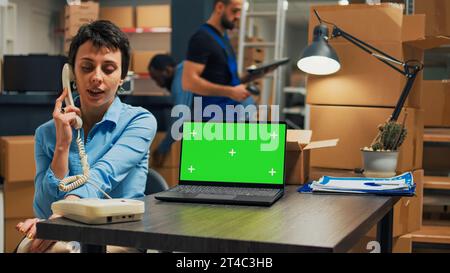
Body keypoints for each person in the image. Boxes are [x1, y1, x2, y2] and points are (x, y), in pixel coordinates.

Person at [15, 20, 157, 253]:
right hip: (60, 225)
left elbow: (103, 174)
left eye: (109, 69)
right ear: (71, 73)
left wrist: (62, 213)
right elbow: (43, 208)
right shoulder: (46, 132)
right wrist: (62, 145)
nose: (96, 77)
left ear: (122, 76)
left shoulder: (139, 122)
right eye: (87, 67)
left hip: (120, 231)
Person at [182, 0, 256, 121]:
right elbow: (188, 82)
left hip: (230, 115)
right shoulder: (202, 38)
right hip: (211, 119)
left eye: (240, 12)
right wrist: (230, 92)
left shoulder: (223, 38)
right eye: (235, 11)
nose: (238, 16)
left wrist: (244, 79)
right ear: (220, 7)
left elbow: (219, 77)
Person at [148, 54, 192, 167]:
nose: (158, 84)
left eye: (157, 78)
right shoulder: (185, 69)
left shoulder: (180, 81)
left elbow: (180, 121)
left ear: (167, 71)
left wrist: (161, 148)